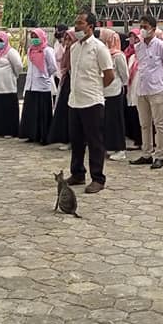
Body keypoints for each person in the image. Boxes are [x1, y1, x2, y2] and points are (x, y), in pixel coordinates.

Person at [66, 11, 115, 194]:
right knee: (76, 141)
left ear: (91, 27)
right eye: (76, 22)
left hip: (92, 101)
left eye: (80, 23)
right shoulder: (74, 48)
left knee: (95, 142)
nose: (76, 26)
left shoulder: (99, 48)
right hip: (75, 101)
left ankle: (98, 178)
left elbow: (109, 75)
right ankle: (78, 173)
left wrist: (95, 88)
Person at [130, 15, 163, 169]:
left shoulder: (161, 46)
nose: (142, 29)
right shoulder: (139, 46)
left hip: (157, 89)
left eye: (146, 26)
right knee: (144, 124)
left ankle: (159, 155)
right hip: (142, 89)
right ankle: (146, 153)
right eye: (141, 26)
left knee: (159, 124)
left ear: (153, 29)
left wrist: (162, 82)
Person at [19, 28, 57, 144]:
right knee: (31, 112)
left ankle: (43, 136)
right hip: (31, 85)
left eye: (36, 37)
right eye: (33, 37)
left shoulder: (47, 50)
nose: (34, 40)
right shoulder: (30, 50)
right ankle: (31, 134)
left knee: (43, 113)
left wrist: (45, 75)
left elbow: (53, 67)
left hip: (43, 86)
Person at [100, 28, 130, 161]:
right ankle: (110, 145)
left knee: (116, 121)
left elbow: (125, 75)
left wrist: (118, 84)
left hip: (115, 91)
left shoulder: (118, 56)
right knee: (108, 122)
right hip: (104, 91)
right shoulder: (103, 54)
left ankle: (120, 148)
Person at [47, 29, 75, 148]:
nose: (67, 41)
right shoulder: (66, 52)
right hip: (66, 81)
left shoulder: (76, 51)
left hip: (74, 84)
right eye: (66, 39)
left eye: (70, 39)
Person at [124, 29, 143, 151]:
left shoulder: (143, 58)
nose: (133, 41)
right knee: (134, 115)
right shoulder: (131, 57)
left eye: (136, 38)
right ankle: (137, 139)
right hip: (132, 89)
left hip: (142, 90)